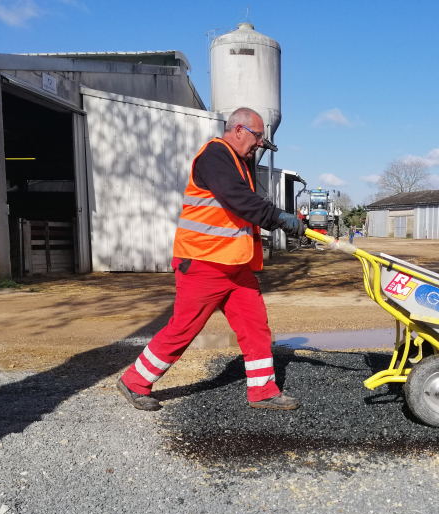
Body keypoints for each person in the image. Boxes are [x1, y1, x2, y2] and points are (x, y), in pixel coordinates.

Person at [116, 107, 305, 412]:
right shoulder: (216, 156)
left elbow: (243, 207)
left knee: (256, 325)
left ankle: (263, 391)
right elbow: (238, 199)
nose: (259, 144)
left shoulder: (238, 163)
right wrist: (278, 218)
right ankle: (134, 381)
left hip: (235, 266)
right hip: (204, 262)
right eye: (257, 137)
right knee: (183, 328)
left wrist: (278, 218)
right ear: (239, 129)